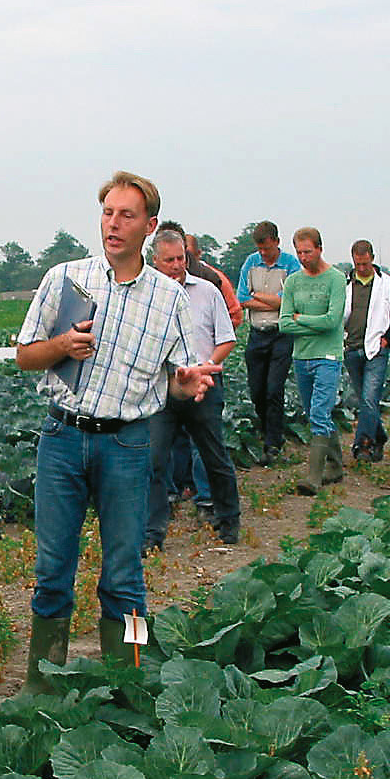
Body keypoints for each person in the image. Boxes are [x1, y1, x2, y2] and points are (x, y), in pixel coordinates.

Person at [15, 172, 219, 694]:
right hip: (61, 439)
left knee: (126, 576)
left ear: (149, 226)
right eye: (107, 211)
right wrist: (62, 344)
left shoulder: (167, 299)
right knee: (53, 572)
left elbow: (175, 380)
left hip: (128, 444)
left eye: (126, 215)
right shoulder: (65, 279)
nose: (113, 223)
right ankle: (42, 688)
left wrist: (187, 383)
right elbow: (25, 356)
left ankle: (131, 680)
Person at [143, 229, 240, 550]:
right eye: (169, 260)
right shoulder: (146, 297)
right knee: (154, 461)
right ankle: (151, 533)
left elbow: (226, 338)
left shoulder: (208, 291)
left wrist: (205, 365)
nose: (176, 265)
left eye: (180, 258)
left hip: (204, 384)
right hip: (163, 387)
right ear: (155, 261)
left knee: (214, 455)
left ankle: (228, 520)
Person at [278, 228, 347, 493]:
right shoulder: (294, 281)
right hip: (302, 356)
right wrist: (312, 324)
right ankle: (336, 464)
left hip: (328, 356)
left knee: (319, 412)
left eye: (308, 251)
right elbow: (284, 324)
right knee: (314, 413)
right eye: (299, 252)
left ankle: (313, 478)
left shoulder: (336, 279)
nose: (304, 257)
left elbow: (333, 321)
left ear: (320, 248)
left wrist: (301, 319)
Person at [235, 222, 302, 464]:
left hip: (281, 334)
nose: (262, 253)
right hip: (257, 333)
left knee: (274, 389)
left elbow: (291, 301)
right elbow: (241, 297)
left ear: (276, 241)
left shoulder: (291, 264)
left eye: (266, 248)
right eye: (260, 249)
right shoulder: (251, 263)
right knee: (256, 390)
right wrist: (274, 302)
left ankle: (273, 442)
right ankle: (268, 429)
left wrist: (258, 297)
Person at [340, 240, 390, 464]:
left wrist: (386, 341)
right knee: (364, 399)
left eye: (365, 263)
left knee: (369, 398)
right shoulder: (345, 284)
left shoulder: (387, 283)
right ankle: (381, 437)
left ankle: (363, 445)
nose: (361, 268)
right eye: (358, 264)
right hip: (351, 348)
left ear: (372, 259)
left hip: (375, 350)